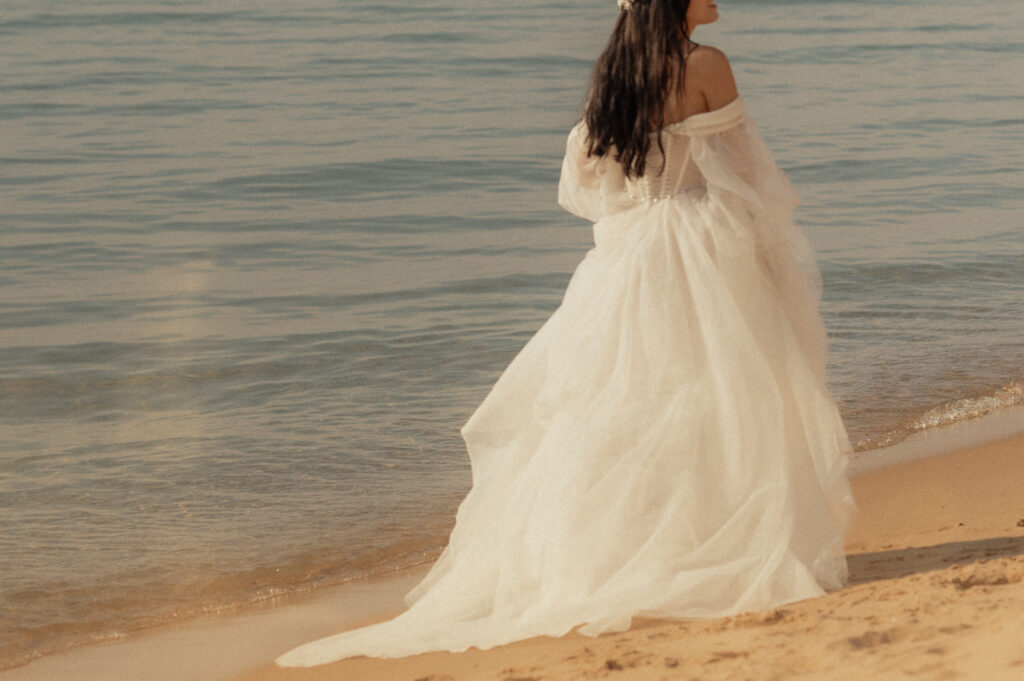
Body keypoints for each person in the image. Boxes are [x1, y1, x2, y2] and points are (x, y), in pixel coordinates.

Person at [277, 0, 855, 667]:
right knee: (722, 395)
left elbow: (591, 178)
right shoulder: (705, 65)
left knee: (628, 406)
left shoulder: (616, 73)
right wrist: (770, 252)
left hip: (630, 252)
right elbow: (747, 174)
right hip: (703, 243)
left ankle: (625, 551)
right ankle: (717, 543)